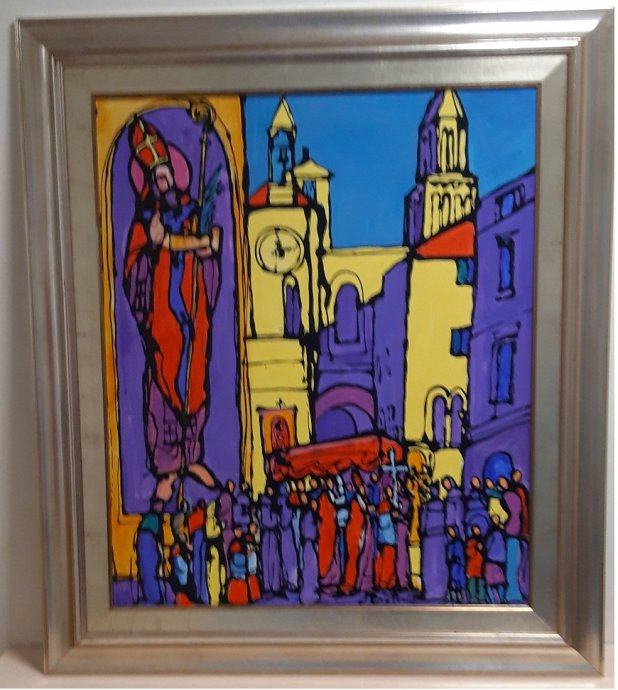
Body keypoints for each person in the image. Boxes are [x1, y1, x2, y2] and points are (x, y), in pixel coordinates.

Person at [123, 116, 220, 516]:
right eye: (155, 175)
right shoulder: (147, 216)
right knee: (165, 379)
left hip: (192, 306)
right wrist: (184, 244)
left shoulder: (191, 209)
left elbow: (212, 243)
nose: (162, 180)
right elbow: (144, 255)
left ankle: (190, 457)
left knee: (195, 376)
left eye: (164, 173)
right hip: (163, 310)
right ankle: (166, 469)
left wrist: (199, 246)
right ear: (148, 180)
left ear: (173, 174)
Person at [419, 484, 448, 601]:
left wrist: (423, 533)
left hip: (431, 538)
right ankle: (436, 591)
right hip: (438, 538)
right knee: (436, 565)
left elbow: (422, 524)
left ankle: (431, 591)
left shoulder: (426, 506)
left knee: (431, 565)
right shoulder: (443, 504)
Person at [498, 476, 524, 603]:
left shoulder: (508, 496)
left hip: (512, 533)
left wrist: (504, 525)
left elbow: (511, 514)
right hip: (514, 532)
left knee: (512, 563)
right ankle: (512, 592)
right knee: (513, 563)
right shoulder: (513, 495)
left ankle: (512, 592)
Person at [136, 499, 166, 605]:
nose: (160, 507)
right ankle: (153, 597)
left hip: (148, 543)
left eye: (161, 505)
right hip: (147, 543)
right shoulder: (153, 518)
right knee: (148, 570)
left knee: (150, 570)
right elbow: (157, 536)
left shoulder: (153, 518)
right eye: (158, 505)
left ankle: (153, 596)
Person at [340, 481, 365, 595]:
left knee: (353, 559)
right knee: (351, 558)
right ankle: (349, 583)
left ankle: (350, 583)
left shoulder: (360, 502)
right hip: (352, 533)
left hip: (357, 532)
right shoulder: (354, 501)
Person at [317, 477, 340, 593]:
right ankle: (323, 577)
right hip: (325, 528)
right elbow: (322, 512)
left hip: (331, 528)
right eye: (328, 481)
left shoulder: (333, 494)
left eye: (331, 481)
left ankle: (330, 578)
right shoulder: (323, 496)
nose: (330, 483)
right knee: (324, 553)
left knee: (331, 552)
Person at [259, 485, 282, 595]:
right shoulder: (265, 505)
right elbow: (266, 522)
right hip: (267, 534)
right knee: (267, 560)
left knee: (274, 559)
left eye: (271, 488)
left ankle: (274, 585)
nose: (270, 490)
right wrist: (276, 519)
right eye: (269, 488)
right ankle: (268, 585)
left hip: (272, 535)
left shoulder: (273, 504)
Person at [277, 481, 299, 592]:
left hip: (287, 531)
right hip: (285, 531)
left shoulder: (283, 500)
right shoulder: (283, 500)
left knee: (288, 557)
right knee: (289, 557)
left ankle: (291, 581)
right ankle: (290, 581)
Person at [299, 494, 320, 605]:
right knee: (309, 567)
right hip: (308, 543)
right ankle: (307, 594)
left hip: (311, 543)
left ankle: (311, 590)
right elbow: (305, 529)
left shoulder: (313, 515)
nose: (314, 505)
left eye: (315, 503)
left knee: (313, 567)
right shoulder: (307, 514)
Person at [356, 482, 375, 596]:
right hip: (362, 530)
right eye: (361, 488)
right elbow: (365, 509)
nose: (362, 489)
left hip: (368, 528)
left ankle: (367, 584)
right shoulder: (357, 499)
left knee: (369, 556)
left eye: (363, 488)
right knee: (363, 556)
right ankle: (359, 583)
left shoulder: (365, 499)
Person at [374, 494, 397, 593]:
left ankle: (389, 583)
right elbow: (383, 522)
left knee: (385, 563)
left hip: (385, 542)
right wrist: (391, 515)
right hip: (388, 542)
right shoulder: (384, 516)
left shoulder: (381, 515)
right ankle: (383, 582)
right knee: (387, 564)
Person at [484, 514, 507, 604]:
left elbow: (487, 545)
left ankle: (497, 600)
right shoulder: (494, 531)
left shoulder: (498, 531)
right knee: (495, 582)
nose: (496, 520)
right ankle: (496, 600)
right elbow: (487, 544)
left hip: (496, 560)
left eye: (497, 518)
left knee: (497, 582)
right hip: (494, 560)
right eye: (494, 518)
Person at [394, 480, 411, 590]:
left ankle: (403, 580)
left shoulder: (404, 499)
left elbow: (406, 513)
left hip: (401, 527)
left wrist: (399, 516)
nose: (397, 487)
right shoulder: (395, 498)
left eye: (399, 485)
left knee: (402, 554)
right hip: (395, 527)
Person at [226, 527, 249, 605]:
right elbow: (229, 554)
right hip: (234, 567)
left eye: (239, 530)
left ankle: (242, 598)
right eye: (236, 531)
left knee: (242, 582)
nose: (238, 532)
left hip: (242, 567)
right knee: (234, 582)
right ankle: (233, 598)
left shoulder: (244, 541)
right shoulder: (233, 542)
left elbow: (246, 553)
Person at [465, 524, 486, 604]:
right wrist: (476, 548)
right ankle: (473, 598)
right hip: (472, 564)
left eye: (477, 529)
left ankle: (482, 597)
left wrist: (481, 548)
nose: (476, 531)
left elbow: (485, 550)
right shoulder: (470, 540)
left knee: (481, 582)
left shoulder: (483, 539)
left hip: (481, 564)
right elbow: (468, 552)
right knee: (472, 582)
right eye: (474, 529)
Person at [445, 526, 466, 603]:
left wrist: (459, 560)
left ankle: (460, 597)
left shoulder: (459, 542)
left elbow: (461, 553)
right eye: (449, 531)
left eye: (452, 530)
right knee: (453, 581)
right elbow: (448, 554)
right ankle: (454, 597)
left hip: (459, 565)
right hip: (453, 565)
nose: (451, 532)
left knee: (459, 582)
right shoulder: (450, 543)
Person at [246, 523, 261, 603]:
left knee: (253, 577)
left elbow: (256, 547)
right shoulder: (247, 537)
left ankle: (255, 595)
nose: (254, 529)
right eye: (253, 527)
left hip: (253, 562)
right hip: (249, 562)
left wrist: (253, 548)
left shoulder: (253, 537)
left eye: (255, 528)